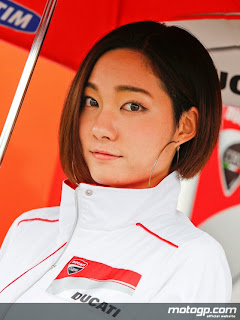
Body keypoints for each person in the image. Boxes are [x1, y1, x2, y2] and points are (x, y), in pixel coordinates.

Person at [0, 21, 232, 304]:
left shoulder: (191, 259)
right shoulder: (29, 228)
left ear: (184, 126)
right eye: (91, 101)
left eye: (133, 106)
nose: (100, 128)